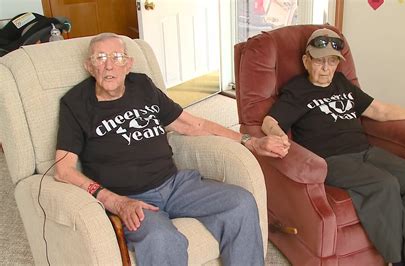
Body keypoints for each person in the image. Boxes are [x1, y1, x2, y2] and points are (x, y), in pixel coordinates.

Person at [54, 32, 289, 265]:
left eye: (117, 57)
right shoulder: (75, 103)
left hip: (175, 184)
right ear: (89, 66)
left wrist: (250, 141)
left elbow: (191, 124)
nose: (109, 66)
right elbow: (63, 169)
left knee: (241, 203)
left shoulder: (142, 85)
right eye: (100, 58)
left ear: (128, 64)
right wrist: (115, 202)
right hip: (131, 200)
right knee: (162, 239)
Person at [261, 28, 405, 266]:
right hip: (332, 160)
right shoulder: (297, 90)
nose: (326, 68)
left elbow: (379, 110)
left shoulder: (342, 82)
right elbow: (269, 122)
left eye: (332, 61)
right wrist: (279, 137)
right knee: (384, 185)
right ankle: (403, 261)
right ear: (306, 60)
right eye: (319, 60)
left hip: (366, 152)